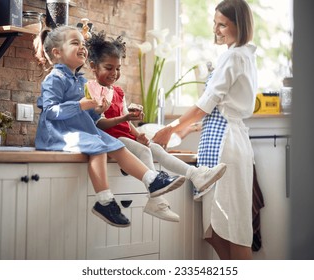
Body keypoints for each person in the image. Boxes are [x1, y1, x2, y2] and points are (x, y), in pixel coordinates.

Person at [32, 26, 186, 228]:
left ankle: (152, 179)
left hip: (79, 130)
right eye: (75, 43)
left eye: (83, 43)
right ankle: (105, 200)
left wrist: (95, 110)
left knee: (116, 145)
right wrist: (81, 105)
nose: (82, 47)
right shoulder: (55, 78)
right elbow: (51, 111)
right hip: (57, 134)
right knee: (99, 147)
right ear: (57, 53)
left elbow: (84, 115)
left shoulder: (79, 81)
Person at [84, 30, 227, 222]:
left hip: (125, 138)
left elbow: (124, 121)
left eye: (118, 68)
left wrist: (138, 134)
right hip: (112, 141)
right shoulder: (92, 89)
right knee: (146, 153)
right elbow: (99, 123)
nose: (114, 73)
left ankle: (195, 174)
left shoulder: (118, 91)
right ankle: (157, 201)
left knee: (155, 148)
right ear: (93, 66)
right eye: (109, 67)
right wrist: (125, 119)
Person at [152, 0, 257, 260]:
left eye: (223, 24)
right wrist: (194, 127)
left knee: (233, 231)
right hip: (225, 143)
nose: (216, 29)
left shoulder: (234, 56)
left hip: (226, 148)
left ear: (239, 25)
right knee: (215, 232)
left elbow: (206, 104)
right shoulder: (241, 54)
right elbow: (220, 106)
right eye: (215, 23)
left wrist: (170, 127)